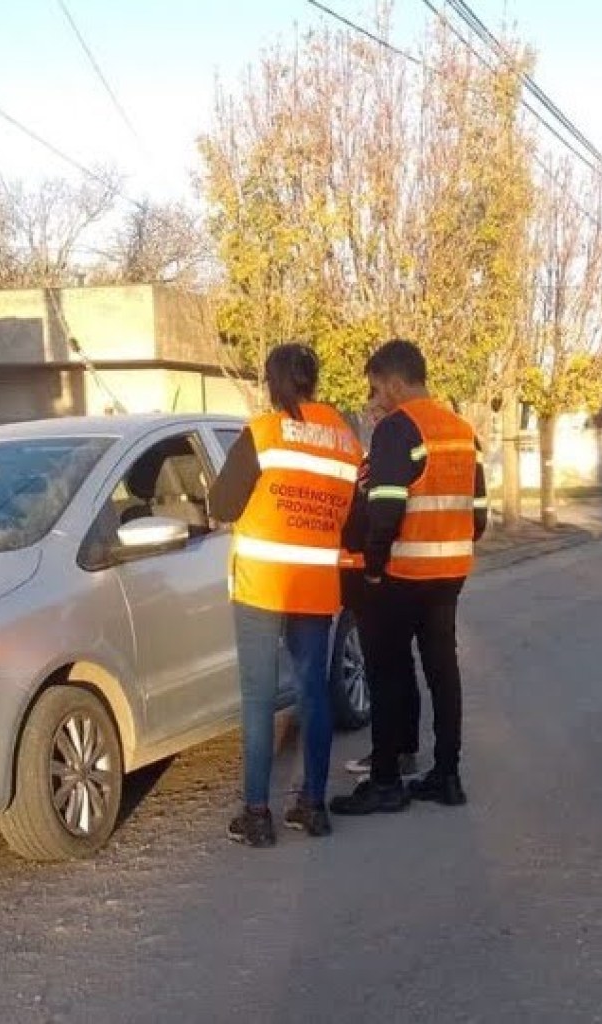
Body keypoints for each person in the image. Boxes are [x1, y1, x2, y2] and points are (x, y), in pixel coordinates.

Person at [209, 343, 361, 848]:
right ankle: (313, 807)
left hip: (261, 583)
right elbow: (353, 518)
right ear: (313, 381)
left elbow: (223, 505)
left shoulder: (263, 433)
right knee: (313, 691)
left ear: (272, 383)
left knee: (258, 697)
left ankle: (257, 814)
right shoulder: (345, 440)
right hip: (315, 584)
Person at [330, 339, 487, 817]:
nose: (376, 398)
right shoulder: (464, 431)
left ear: (395, 383)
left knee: (388, 674)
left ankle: (385, 781)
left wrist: (374, 568)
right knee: (443, 672)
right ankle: (446, 775)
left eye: (377, 388)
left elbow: (385, 511)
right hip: (450, 573)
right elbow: (479, 514)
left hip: (403, 575)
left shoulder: (398, 428)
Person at [340, 396, 421, 780]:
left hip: (371, 573)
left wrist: (371, 565)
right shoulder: (368, 461)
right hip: (368, 573)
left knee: (384, 669)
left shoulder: (385, 458)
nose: (370, 416)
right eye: (368, 411)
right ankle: (401, 752)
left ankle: (390, 756)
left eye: (375, 409)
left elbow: (375, 516)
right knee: (395, 666)